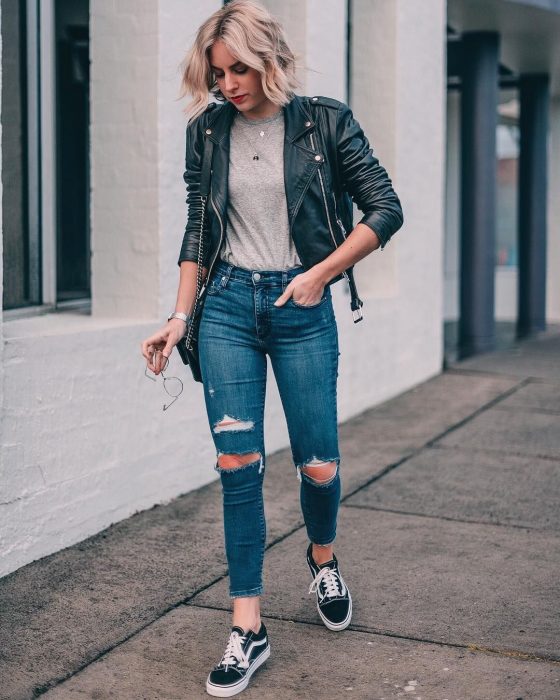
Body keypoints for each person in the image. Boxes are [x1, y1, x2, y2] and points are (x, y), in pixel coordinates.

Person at [140, 0, 403, 696]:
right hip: (225, 306)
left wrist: (321, 274)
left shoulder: (325, 122)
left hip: (300, 304)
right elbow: (199, 232)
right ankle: (248, 627)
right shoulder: (208, 133)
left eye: (240, 69)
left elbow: (385, 208)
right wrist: (177, 316)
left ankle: (321, 557)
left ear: (270, 60)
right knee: (237, 462)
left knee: (317, 462)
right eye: (218, 72)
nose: (229, 84)